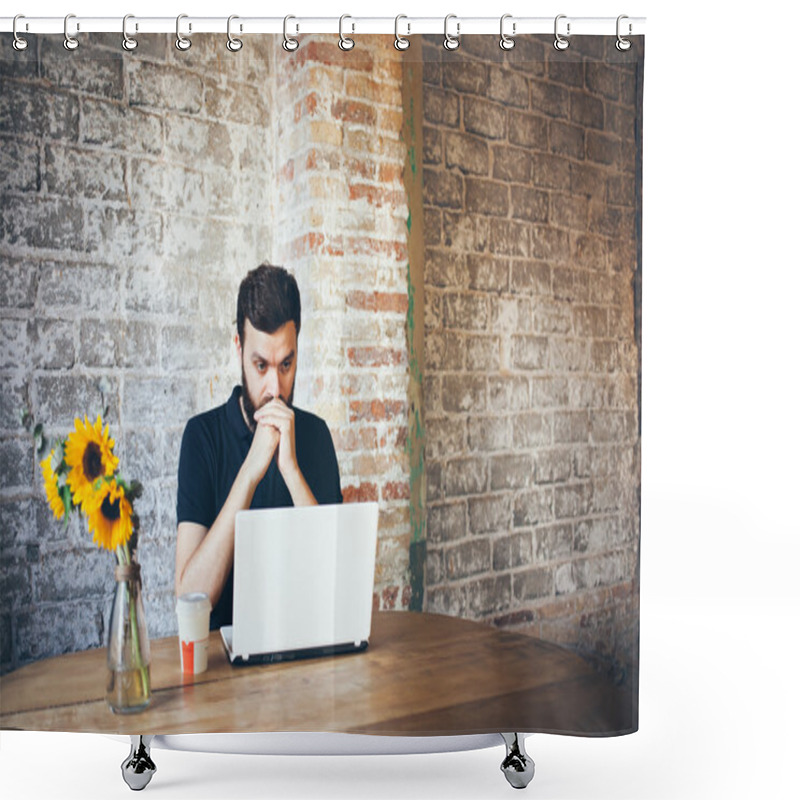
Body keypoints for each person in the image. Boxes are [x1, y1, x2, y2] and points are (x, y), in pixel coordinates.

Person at [174, 264, 343, 630]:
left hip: (305, 655)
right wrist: (250, 473)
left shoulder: (316, 436)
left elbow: (337, 586)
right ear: (239, 348)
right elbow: (190, 597)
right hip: (222, 668)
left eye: (286, 364)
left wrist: (292, 472)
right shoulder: (202, 438)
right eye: (261, 365)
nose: (275, 388)